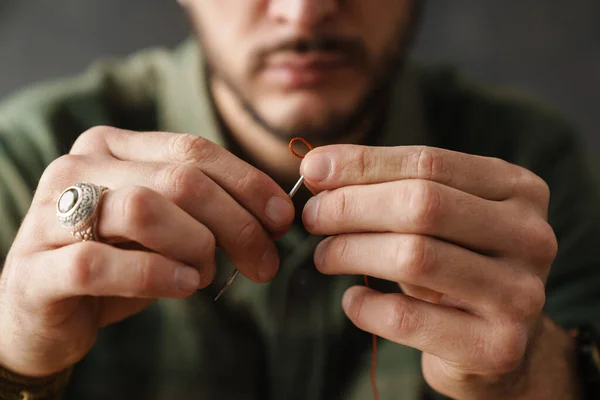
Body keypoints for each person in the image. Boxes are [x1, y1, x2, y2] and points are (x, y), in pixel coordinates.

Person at [0, 1, 599, 399]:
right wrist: (18, 363)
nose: (304, 11)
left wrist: (532, 373)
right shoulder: (29, 160)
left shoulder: (531, 163)